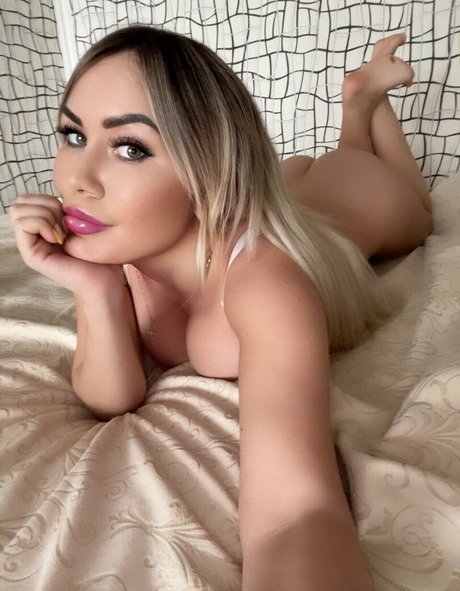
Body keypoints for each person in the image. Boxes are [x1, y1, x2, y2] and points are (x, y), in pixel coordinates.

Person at [9, 25, 432, 591]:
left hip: (352, 200)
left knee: (418, 208)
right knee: (301, 181)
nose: (75, 180)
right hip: (279, 194)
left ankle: (361, 102)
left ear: (207, 166)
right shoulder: (128, 242)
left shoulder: (263, 283)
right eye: (73, 134)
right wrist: (96, 290)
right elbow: (111, 397)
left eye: (130, 148)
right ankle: (356, 105)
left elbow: (296, 508)